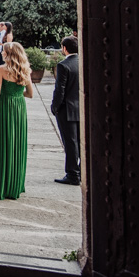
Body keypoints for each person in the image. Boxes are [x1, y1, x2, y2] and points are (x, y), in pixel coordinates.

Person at [0, 41, 34, 200]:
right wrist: (17, 95)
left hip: (4, 107)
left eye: (3, 51)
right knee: (16, 143)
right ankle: (14, 184)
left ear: (8, 54)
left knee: (2, 142)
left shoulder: (1, 70)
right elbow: (30, 94)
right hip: (19, 108)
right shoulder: (25, 69)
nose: (1, 53)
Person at [51, 36, 80, 185]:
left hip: (67, 109)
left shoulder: (64, 65)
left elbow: (60, 90)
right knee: (80, 142)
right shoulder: (82, 62)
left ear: (64, 48)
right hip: (79, 108)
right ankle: (80, 170)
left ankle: (72, 174)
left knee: (70, 143)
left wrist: (55, 107)